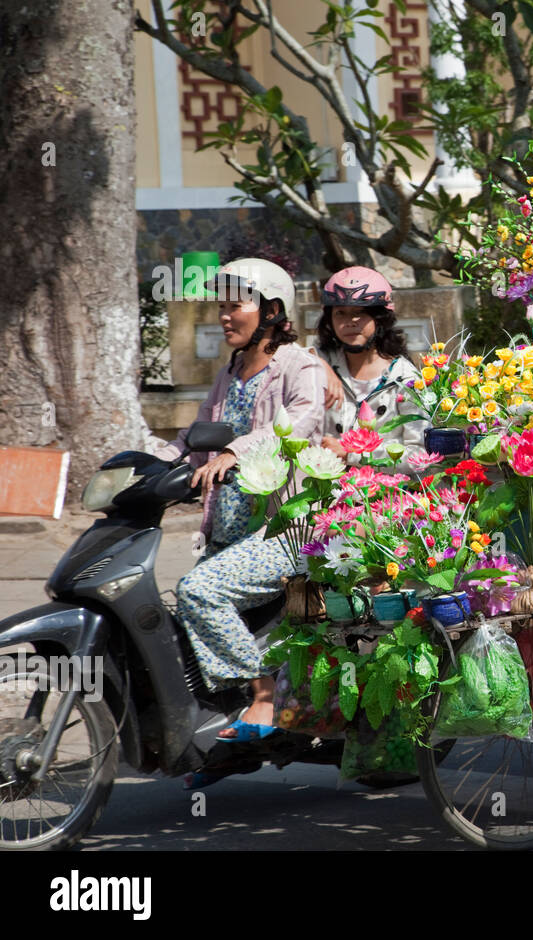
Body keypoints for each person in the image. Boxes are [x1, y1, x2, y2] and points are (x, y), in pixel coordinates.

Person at [157, 258, 325, 784]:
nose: (224, 316)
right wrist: (144, 466)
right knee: (182, 625)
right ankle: (231, 744)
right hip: (226, 532)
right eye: (222, 305)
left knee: (199, 592)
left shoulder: (302, 366)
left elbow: (301, 421)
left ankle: (264, 697)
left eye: (236, 305)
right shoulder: (229, 373)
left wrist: (235, 449)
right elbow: (193, 439)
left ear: (272, 310)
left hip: (286, 531)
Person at [314, 266, 426, 467]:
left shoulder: (405, 378)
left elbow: (419, 455)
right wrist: (319, 363)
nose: (350, 322)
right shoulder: (323, 363)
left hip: (388, 494)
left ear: (380, 318)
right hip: (328, 494)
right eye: (340, 313)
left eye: (360, 312)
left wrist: (351, 455)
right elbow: (283, 352)